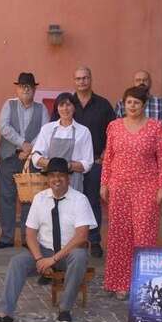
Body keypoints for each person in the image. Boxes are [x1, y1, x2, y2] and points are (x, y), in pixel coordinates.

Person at [0, 158, 96, 322]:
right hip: (43, 251)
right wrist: (38, 259)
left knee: (79, 257)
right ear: (47, 178)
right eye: (52, 175)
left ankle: (65, 310)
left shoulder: (80, 200)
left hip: (68, 253)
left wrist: (54, 259)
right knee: (17, 262)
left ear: (68, 178)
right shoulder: (40, 199)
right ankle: (4, 313)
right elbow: (29, 233)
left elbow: (81, 236)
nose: (56, 179)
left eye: (61, 175)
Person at [100, 86, 162, 300]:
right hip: (118, 186)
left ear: (144, 105)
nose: (132, 106)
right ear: (123, 103)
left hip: (146, 187)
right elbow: (108, 157)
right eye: (129, 102)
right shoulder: (114, 127)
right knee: (119, 235)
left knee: (144, 234)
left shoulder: (157, 128)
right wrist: (104, 184)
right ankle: (119, 283)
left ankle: (144, 283)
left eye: (136, 103)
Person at [55, 67, 116, 258]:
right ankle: (71, 240)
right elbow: (53, 128)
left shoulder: (103, 105)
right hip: (69, 166)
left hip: (96, 162)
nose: (82, 81)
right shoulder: (66, 103)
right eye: (78, 78)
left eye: (85, 78)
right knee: (69, 201)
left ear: (91, 79)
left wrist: (107, 152)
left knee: (92, 201)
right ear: (74, 81)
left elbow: (112, 132)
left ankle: (94, 239)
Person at [0, 72, 49, 249]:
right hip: (9, 157)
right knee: (6, 197)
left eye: (29, 87)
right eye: (22, 86)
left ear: (34, 90)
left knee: (29, 199)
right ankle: (7, 237)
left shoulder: (42, 109)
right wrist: (22, 143)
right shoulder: (9, 105)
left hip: (31, 159)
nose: (25, 90)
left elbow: (45, 132)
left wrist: (30, 149)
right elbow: (4, 127)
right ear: (17, 89)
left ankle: (28, 238)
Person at [31, 93, 94, 191]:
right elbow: (35, 157)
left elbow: (88, 164)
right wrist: (52, 164)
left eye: (68, 105)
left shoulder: (83, 131)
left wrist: (68, 166)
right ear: (57, 108)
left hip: (74, 182)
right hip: (50, 182)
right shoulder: (47, 129)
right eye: (61, 105)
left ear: (74, 107)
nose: (65, 108)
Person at [114, 70, 162, 147]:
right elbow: (116, 131)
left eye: (145, 80)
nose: (141, 82)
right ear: (134, 83)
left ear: (150, 82)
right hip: (127, 150)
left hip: (154, 152)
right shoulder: (122, 104)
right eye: (138, 80)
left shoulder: (161, 104)